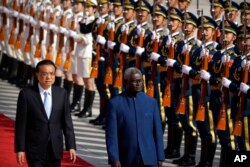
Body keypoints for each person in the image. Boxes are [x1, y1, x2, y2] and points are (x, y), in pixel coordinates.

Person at [14, 60, 76, 167]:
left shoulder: (62, 94)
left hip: (55, 149)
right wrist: (20, 149)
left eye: (52, 74)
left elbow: (67, 122)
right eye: (44, 74)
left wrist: (71, 146)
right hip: (34, 149)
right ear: (37, 75)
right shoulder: (26, 94)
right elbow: (21, 124)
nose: (49, 77)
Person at [105, 67, 164, 167]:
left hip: (149, 158)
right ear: (126, 82)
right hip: (126, 158)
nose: (138, 84)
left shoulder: (151, 102)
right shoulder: (115, 103)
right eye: (134, 81)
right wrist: (114, 158)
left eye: (140, 81)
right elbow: (111, 135)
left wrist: (160, 156)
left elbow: (157, 132)